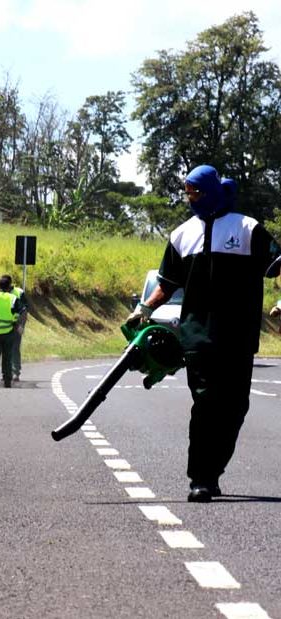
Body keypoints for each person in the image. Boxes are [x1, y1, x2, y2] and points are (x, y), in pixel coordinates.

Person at [126, 165, 281, 502]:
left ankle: (214, 470)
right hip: (196, 336)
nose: (189, 196)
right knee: (206, 404)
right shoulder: (181, 234)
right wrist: (145, 308)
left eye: (194, 190)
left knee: (236, 407)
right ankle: (201, 477)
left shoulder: (247, 228)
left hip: (238, 337)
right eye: (187, 191)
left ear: (210, 189)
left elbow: (277, 264)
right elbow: (167, 284)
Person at [8, 278, 29, 382]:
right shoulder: (1, 293)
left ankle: (15, 372)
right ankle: (7, 372)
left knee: (15, 348)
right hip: (5, 325)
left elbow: (25, 310)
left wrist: (21, 325)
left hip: (16, 325)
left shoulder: (19, 292)